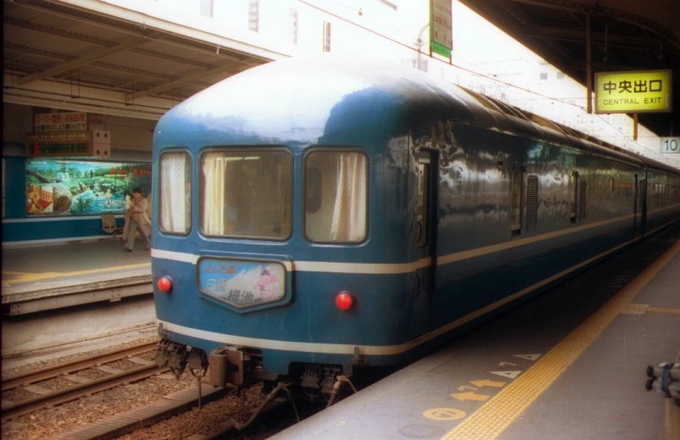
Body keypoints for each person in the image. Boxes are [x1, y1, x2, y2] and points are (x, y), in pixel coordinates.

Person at [124, 188, 151, 252]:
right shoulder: (133, 200)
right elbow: (130, 208)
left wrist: (134, 207)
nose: (134, 195)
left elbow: (143, 209)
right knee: (131, 233)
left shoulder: (144, 200)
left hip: (141, 219)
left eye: (136, 193)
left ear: (139, 193)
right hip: (133, 218)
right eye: (134, 193)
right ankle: (129, 247)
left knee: (144, 233)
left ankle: (149, 245)